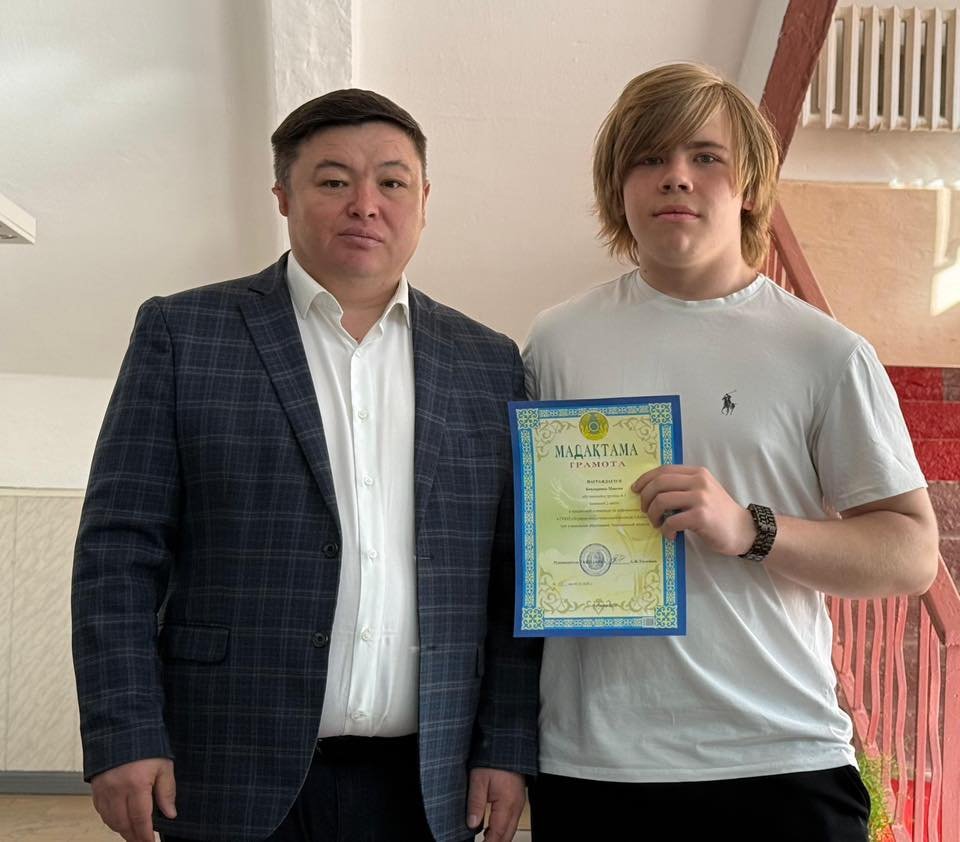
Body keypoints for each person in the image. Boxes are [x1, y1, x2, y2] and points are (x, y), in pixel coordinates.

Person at [72, 88, 540, 842]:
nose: (366, 204)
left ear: (424, 201)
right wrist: (123, 730)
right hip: (222, 765)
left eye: (392, 181)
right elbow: (119, 551)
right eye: (333, 180)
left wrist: (506, 744)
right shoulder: (184, 334)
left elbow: (511, 577)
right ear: (283, 196)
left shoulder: (489, 362)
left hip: (432, 782)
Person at [522, 63, 939, 841]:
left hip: (779, 758)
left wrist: (752, 529)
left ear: (748, 185)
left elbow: (912, 554)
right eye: (650, 158)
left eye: (706, 157)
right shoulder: (558, 341)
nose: (676, 177)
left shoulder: (824, 351)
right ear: (618, 186)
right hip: (595, 764)